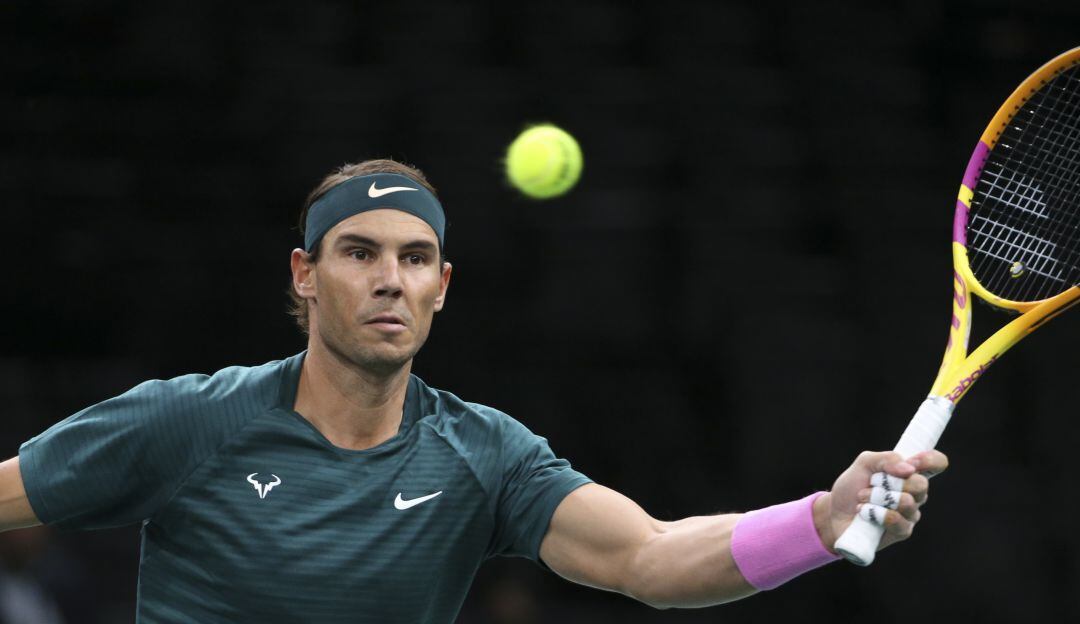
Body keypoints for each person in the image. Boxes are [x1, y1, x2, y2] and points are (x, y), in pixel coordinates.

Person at [0, 158, 948, 623]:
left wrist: (820, 521)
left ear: (441, 287)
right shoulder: (189, 422)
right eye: (358, 253)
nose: (389, 279)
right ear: (304, 273)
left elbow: (652, 558)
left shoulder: (484, 455)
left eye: (416, 259)